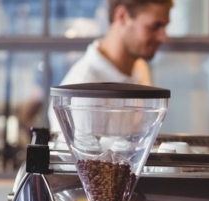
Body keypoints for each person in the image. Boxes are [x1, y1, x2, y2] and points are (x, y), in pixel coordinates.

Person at [47, 0, 172, 131]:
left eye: (165, 27)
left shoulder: (139, 68)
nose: (164, 37)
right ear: (122, 16)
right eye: (155, 26)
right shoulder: (81, 95)